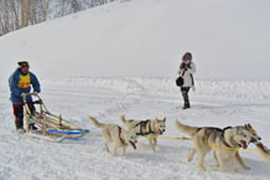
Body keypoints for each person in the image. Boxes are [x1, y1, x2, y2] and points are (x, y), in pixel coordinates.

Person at [9, 61, 41, 131]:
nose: (26, 69)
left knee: (31, 111)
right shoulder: (15, 76)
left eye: (27, 67)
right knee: (19, 114)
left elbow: (36, 82)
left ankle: (31, 125)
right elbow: (13, 87)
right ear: (20, 68)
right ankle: (19, 127)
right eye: (24, 68)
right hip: (17, 98)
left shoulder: (30, 75)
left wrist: (36, 90)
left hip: (27, 96)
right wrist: (19, 93)